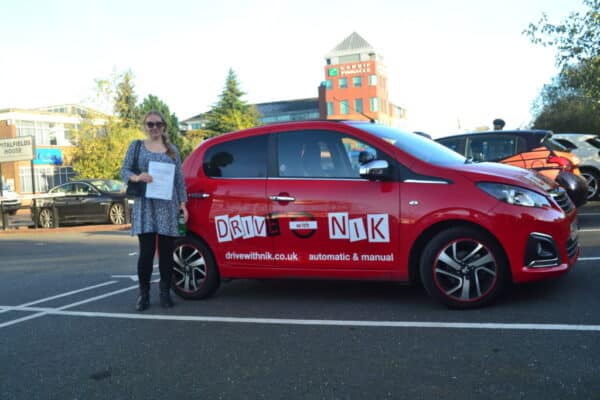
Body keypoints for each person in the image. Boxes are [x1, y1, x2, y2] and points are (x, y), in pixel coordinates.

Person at [121, 110, 188, 311]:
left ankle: (165, 293)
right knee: (147, 253)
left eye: (158, 124)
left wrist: (183, 205)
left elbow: (179, 180)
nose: (154, 128)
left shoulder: (172, 150)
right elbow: (124, 171)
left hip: (167, 206)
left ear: (164, 126)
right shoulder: (137, 147)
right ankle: (144, 295)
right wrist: (138, 177)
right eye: (150, 124)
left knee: (167, 253)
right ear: (145, 126)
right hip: (146, 206)